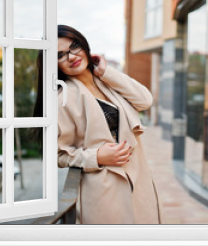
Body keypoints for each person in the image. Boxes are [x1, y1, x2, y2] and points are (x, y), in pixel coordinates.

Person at [40, 24, 161, 224]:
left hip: (139, 180)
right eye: (60, 55)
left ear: (85, 47)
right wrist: (96, 156)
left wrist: (106, 72)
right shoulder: (63, 99)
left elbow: (145, 100)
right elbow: (58, 155)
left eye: (75, 46)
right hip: (104, 190)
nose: (71, 57)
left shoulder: (107, 82)